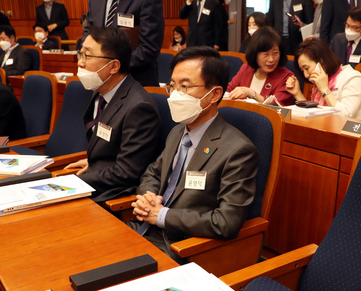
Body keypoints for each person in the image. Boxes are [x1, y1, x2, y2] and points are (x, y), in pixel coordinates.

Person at [129, 47, 259, 262]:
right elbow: (153, 173)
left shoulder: (238, 150)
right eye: (173, 86)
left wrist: (162, 216)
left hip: (181, 246)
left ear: (215, 93)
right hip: (142, 227)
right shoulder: (178, 131)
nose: (175, 94)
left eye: (185, 86)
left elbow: (225, 221)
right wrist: (148, 197)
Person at [65, 26, 162, 203]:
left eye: (88, 55)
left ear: (114, 66)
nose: (80, 63)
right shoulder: (101, 92)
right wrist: (94, 163)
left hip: (112, 195)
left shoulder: (139, 108)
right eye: (80, 54)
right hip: (97, 179)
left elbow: (125, 173)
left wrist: (71, 183)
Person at [85, 0, 164, 87]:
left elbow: (150, 47)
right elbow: (88, 33)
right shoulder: (94, 2)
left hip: (135, 83)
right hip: (99, 82)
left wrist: (112, 65)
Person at [286, 37, 361, 120]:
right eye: (302, 70)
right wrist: (297, 94)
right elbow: (313, 115)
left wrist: (325, 90)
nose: (306, 75)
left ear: (321, 62)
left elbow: (345, 116)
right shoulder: (322, 80)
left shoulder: (352, 78)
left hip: (346, 131)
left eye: (307, 68)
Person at [227, 26, 296, 106]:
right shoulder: (246, 68)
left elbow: (276, 105)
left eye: (275, 53)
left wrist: (251, 93)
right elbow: (229, 92)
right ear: (255, 54)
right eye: (266, 54)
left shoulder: (286, 77)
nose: (271, 59)